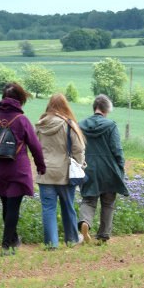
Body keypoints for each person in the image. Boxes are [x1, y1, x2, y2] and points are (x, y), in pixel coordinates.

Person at [0, 82, 45, 256]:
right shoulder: (22, 120)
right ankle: (7, 245)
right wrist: (40, 165)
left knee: (6, 205)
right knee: (13, 206)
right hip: (18, 169)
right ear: (20, 99)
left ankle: (13, 239)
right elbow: (35, 146)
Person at [35, 94, 86, 249]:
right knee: (67, 206)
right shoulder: (69, 124)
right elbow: (79, 148)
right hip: (65, 172)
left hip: (44, 172)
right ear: (65, 106)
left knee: (48, 209)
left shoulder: (39, 125)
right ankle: (71, 240)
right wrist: (79, 165)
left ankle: (51, 244)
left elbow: (35, 147)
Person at [78, 94, 130, 244]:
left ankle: (85, 222)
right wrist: (120, 166)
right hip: (108, 169)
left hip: (88, 167)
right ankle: (103, 236)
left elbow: (77, 147)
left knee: (88, 200)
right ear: (107, 110)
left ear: (94, 108)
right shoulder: (111, 125)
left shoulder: (80, 125)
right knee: (108, 203)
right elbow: (117, 149)